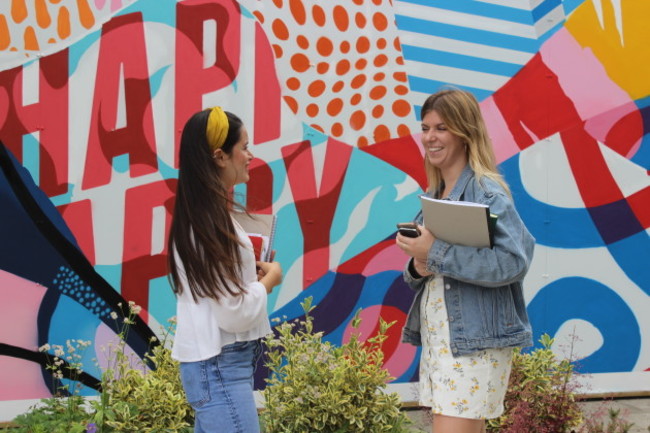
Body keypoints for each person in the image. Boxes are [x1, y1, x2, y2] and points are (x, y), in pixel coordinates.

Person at [396, 88, 535, 433]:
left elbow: (513, 262)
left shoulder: (487, 193)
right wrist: (418, 265)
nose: (430, 137)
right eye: (426, 127)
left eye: (441, 128)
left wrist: (435, 253)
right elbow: (428, 273)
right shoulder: (434, 195)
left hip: (473, 346)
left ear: (465, 131)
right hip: (443, 341)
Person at [168, 107, 283, 433]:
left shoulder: (202, 216)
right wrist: (268, 281)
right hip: (220, 365)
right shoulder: (211, 224)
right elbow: (233, 312)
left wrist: (251, 279)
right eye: (244, 146)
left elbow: (221, 296)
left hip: (215, 364)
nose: (249, 155)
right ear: (220, 156)